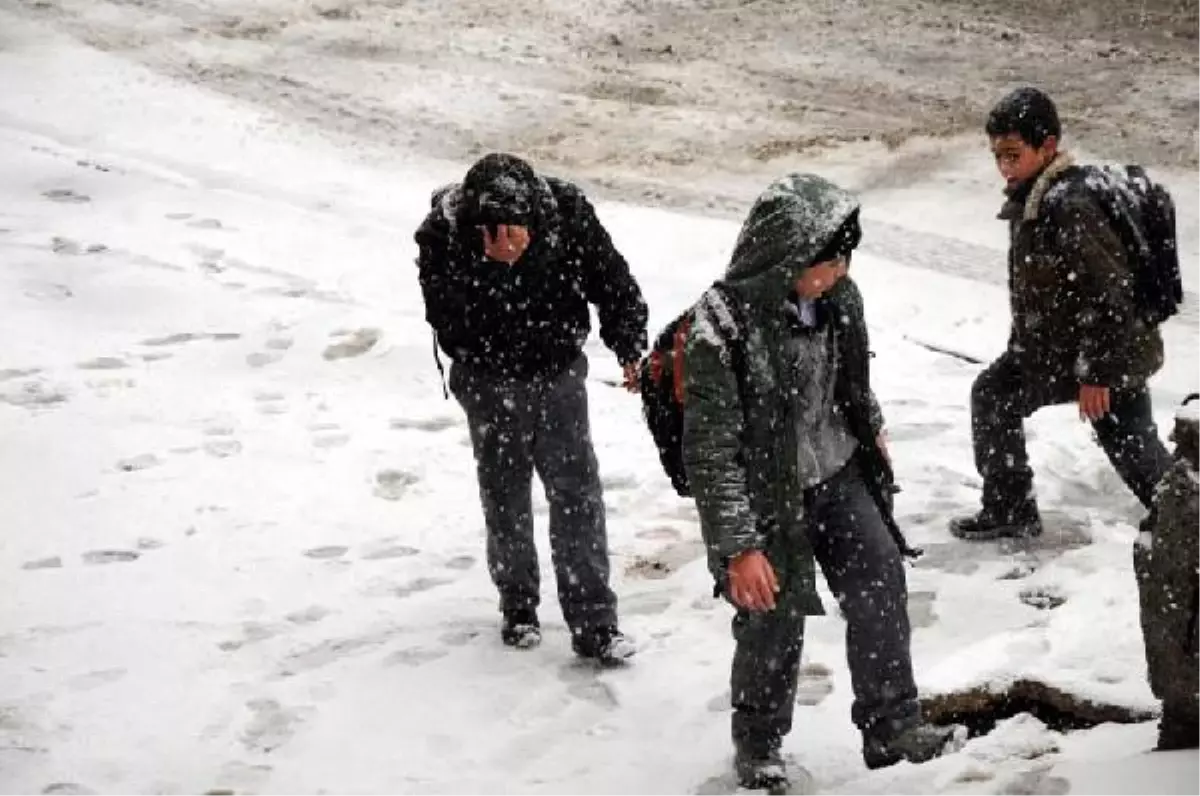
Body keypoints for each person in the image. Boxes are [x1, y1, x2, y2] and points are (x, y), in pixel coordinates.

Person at [682, 173, 962, 789]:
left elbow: (852, 379)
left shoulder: (840, 299)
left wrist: (871, 426)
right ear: (787, 257)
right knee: (771, 616)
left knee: (879, 578)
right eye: (829, 261)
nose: (841, 272)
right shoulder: (722, 327)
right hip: (765, 496)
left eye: (845, 259)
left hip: (836, 472)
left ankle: (892, 727)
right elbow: (710, 450)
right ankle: (758, 744)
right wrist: (740, 547)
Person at [414, 152, 648, 664]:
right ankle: (518, 604)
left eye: (513, 226)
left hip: (558, 372)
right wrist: (494, 270)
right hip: (486, 379)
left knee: (577, 493)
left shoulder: (566, 213)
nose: (504, 236)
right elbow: (450, 326)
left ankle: (595, 623)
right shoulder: (444, 233)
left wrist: (630, 346)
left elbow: (612, 280)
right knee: (505, 493)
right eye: (491, 228)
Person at [950, 87, 1171, 541]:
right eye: (997, 156)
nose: (1004, 167)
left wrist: (1098, 374)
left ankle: (1186, 519)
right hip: (1059, 352)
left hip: (1105, 355)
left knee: (1136, 454)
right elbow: (1040, 290)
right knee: (993, 395)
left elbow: (1112, 295)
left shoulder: (1070, 207)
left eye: (1013, 154)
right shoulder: (1035, 196)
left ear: (1048, 146)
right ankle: (1010, 509)